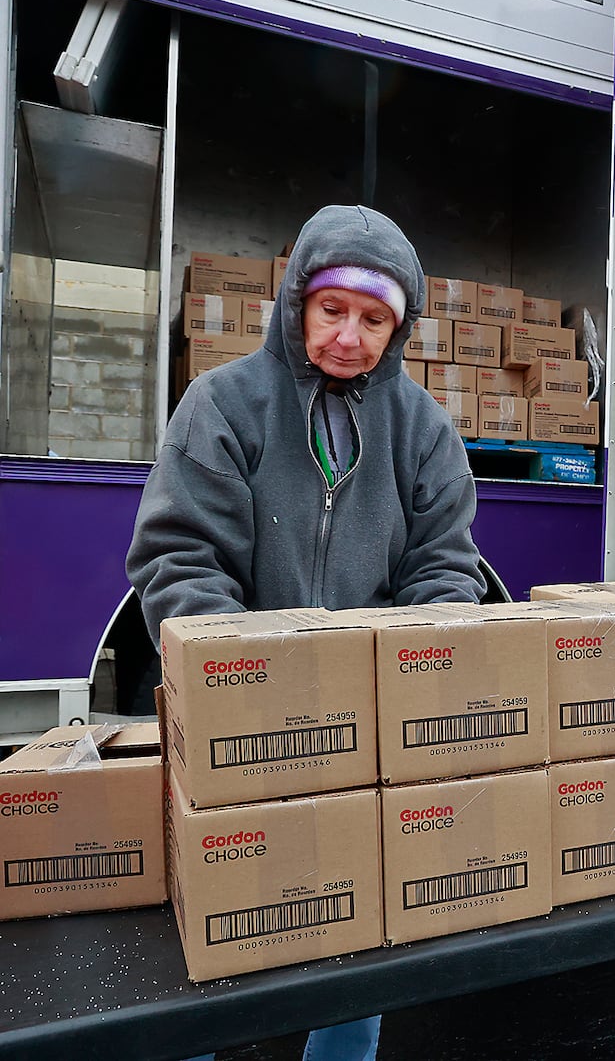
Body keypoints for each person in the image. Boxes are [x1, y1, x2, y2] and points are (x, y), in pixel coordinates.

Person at [127, 204, 487, 1061]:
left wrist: (403, 671)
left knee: (357, 923)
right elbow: (178, 559)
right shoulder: (222, 404)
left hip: (362, 731)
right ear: (296, 304)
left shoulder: (426, 431)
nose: (350, 338)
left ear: (399, 330)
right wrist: (250, 676)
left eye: (375, 320)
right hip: (232, 722)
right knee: (214, 926)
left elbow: (446, 568)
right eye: (333, 311)